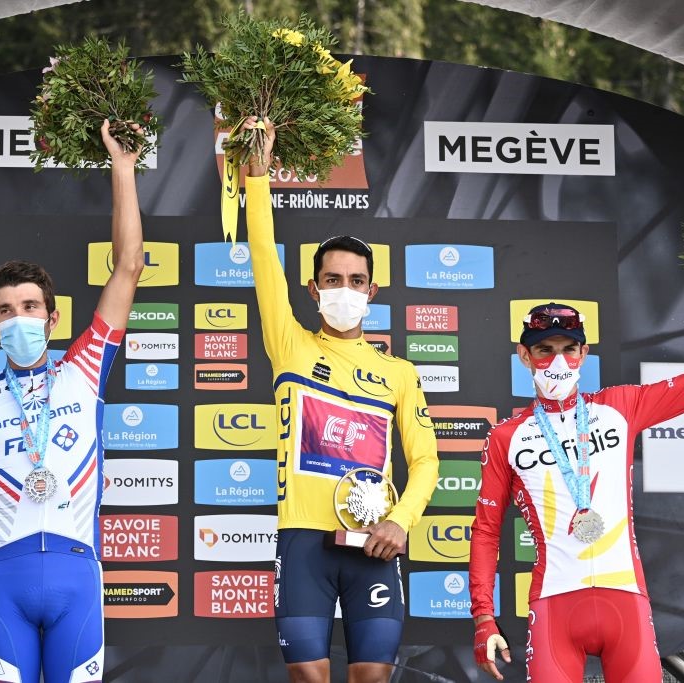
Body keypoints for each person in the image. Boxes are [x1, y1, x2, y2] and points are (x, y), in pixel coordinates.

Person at [470, 267, 684, 682]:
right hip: (554, 606)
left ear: (584, 354)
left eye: (568, 349)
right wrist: (483, 617)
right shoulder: (507, 437)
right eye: (544, 350)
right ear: (524, 355)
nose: (557, 361)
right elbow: (486, 531)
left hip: (626, 603)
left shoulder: (620, 407)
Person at [0, 120, 145, 683]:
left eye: (30, 307)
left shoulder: (84, 369)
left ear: (52, 319)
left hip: (78, 580)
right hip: (3, 582)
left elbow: (128, 265)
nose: (18, 317)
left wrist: (122, 169)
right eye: (6, 310)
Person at [241, 117, 439, 683]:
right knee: (308, 676)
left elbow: (425, 460)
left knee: (372, 678)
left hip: (372, 543)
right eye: (332, 280)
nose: (344, 290)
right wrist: (259, 176)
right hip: (303, 541)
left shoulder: (397, 371)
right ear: (314, 289)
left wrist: (400, 521)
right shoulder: (291, 343)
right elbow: (262, 259)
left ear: (372, 291)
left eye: (356, 280)